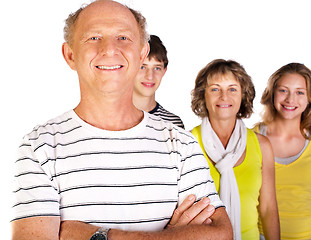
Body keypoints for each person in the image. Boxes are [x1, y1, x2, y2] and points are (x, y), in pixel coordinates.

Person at [11, 1, 233, 239]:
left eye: (124, 38)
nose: (109, 49)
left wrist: (98, 235)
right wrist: (172, 235)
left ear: (142, 53)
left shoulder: (182, 143)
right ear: (70, 55)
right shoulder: (39, 147)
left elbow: (220, 234)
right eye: (94, 37)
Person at [190, 59, 280, 239]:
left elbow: (268, 208)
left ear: (243, 95)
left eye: (232, 89)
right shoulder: (188, 143)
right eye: (215, 89)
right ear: (203, 95)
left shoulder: (262, 145)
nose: (224, 96)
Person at [253, 63, 311, 239]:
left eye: (300, 92)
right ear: (272, 93)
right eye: (283, 90)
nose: (290, 99)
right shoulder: (253, 138)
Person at [133, 34, 184, 129]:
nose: (150, 76)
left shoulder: (173, 124)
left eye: (157, 68)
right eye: (142, 67)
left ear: (164, 71)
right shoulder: (107, 118)